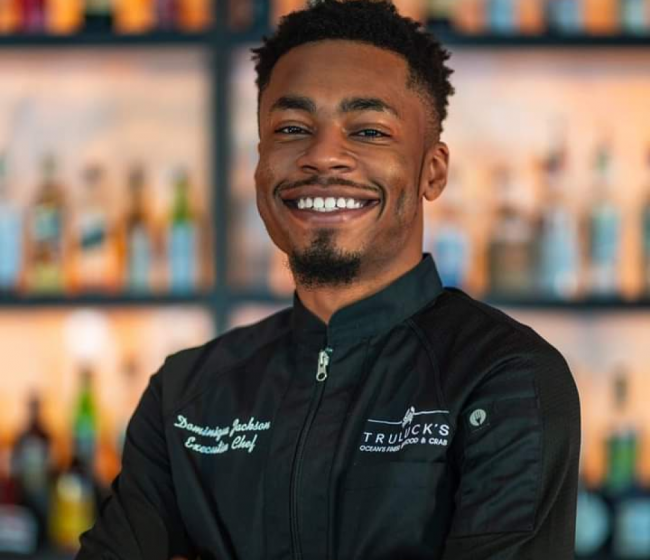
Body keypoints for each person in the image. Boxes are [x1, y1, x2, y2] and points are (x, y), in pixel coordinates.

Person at [76, 1, 581, 558]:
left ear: (432, 171)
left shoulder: (505, 378)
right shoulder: (187, 392)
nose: (322, 156)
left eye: (368, 131)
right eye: (292, 128)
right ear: (260, 165)